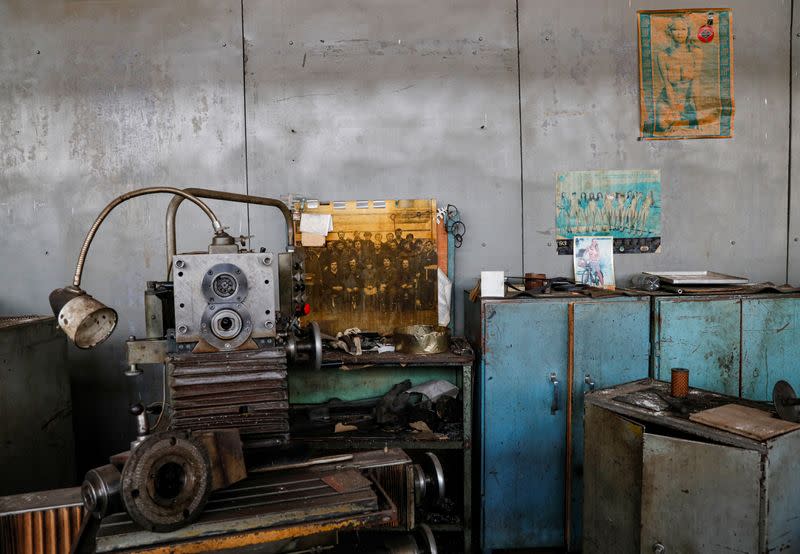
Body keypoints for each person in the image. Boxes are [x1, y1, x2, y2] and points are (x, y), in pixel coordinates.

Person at [655, 16, 701, 133]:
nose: (680, 33)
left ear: (688, 31)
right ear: (670, 32)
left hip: (688, 98)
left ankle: (687, 116)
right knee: (663, 125)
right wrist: (674, 113)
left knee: (699, 122)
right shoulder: (662, 55)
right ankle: (679, 117)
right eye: (675, 29)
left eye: (683, 29)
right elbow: (668, 85)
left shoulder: (696, 52)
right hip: (669, 98)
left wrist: (698, 113)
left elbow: (695, 84)